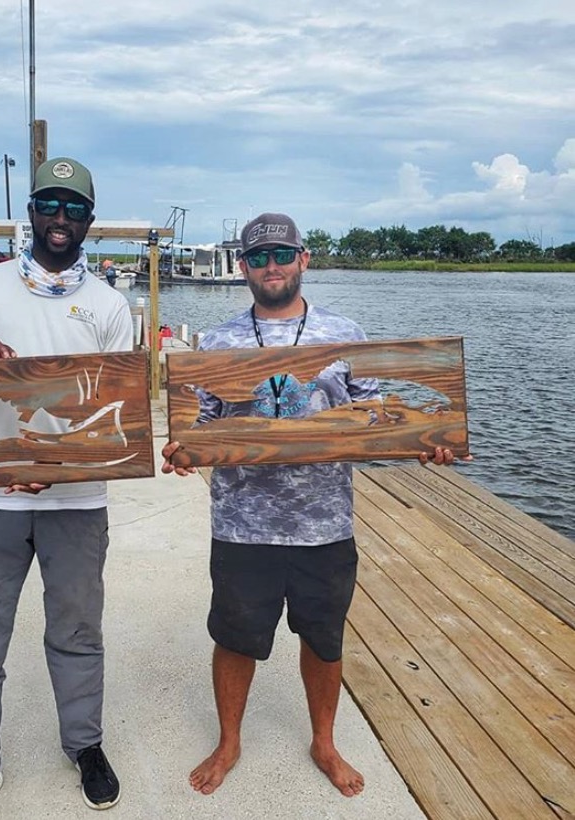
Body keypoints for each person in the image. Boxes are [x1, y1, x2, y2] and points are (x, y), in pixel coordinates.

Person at [162, 213, 462, 800]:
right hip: (242, 522)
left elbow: (374, 414)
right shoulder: (218, 342)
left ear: (303, 258)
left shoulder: (343, 333)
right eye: (258, 257)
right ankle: (230, 741)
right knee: (234, 636)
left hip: (324, 523)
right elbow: (198, 424)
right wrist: (184, 451)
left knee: (323, 639)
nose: (270, 266)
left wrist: (422, 440)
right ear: (243, 267)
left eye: (281, 254)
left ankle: (323, 741)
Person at [0, 157, 133, 819]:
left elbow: (119, 412)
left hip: (78, 498)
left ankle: (86, 744)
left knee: (77, 629)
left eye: (74, 208)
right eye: (49, 204)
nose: (59, 218)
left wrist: (61, 445)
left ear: (89, 222)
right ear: (31, 212)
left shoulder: (109, 304)